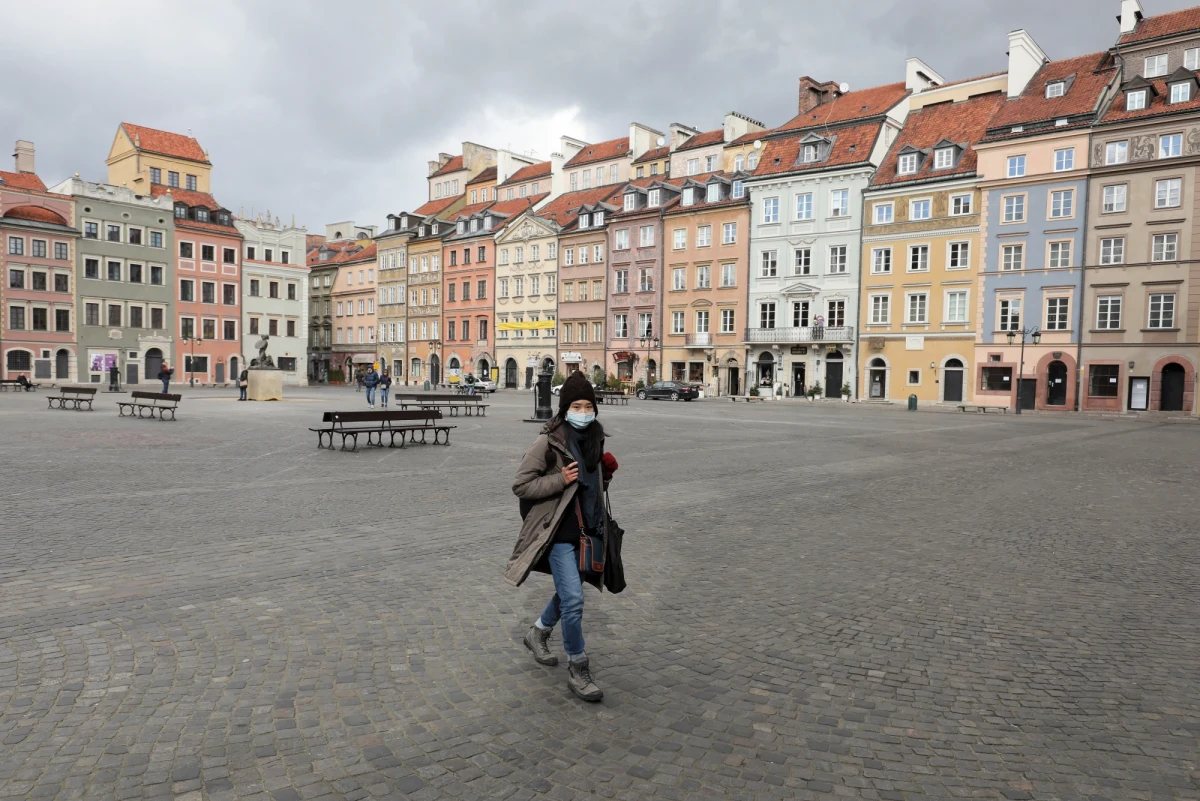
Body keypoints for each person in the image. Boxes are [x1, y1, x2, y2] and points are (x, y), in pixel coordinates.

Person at [509, 372, 611, 702]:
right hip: (556, 532)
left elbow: (590, 488)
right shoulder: (548, 442)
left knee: (568, 593)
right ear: (565, 409)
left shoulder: (595, 438)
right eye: (576, 406)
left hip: (586, 531)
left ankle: (538, 632)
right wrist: (559, 480)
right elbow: (521, 485)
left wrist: (604, 475)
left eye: (588, 405)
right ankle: (578, 667)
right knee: (574, 600)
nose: (583, 411)